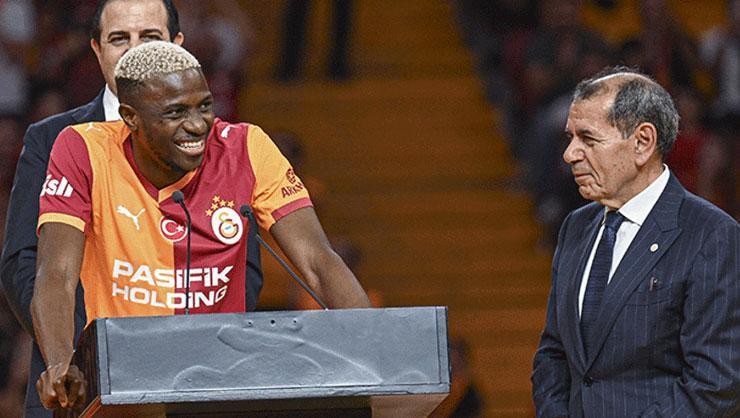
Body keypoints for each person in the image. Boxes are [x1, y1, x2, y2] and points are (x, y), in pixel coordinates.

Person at [32, 41, 371, 411]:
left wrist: (377, 349)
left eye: (205, 106)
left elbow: (319, 261)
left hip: (222, 380)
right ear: (130, 117)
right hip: (123, 380)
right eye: (175, 112)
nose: (197, 125)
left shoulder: (247, 147)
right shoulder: (83, 149)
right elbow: (56, 273)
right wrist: (59, 361)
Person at [0, 1, 258, 416]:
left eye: (149, 37)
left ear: (177, 46)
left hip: (194, 382)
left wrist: (185, 344)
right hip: (75, 384)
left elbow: (243, 271)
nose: (134, 50)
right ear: (97, 48)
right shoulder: (51, 138)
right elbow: (22, 263)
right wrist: (88, 347)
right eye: (119, 38)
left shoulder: (220, 145)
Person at [531, 67, 739, 417]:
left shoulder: (712, 235)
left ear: (643, 142)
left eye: (587, 139)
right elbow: (553, 354)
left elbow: (715, 382)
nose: (570, 154)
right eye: (570, 137)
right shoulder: (575, 227)